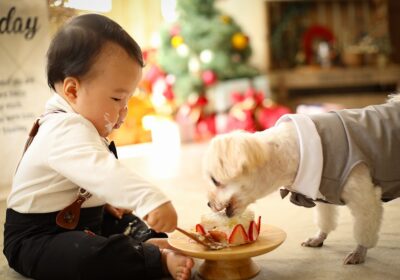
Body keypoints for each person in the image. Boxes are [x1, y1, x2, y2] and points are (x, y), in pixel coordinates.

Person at [3, 14, 194, 280]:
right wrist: (150, 199)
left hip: (81, 220)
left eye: (127, 101)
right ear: (72, 90)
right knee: (87, 258)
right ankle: (150, 258)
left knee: (126, 222)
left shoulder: (79, 124)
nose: (124, 112)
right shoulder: (63, 128)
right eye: (117, 98)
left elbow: (82, 177)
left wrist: (102, 202)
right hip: (37, 238)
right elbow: (102, 171)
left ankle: (147, 243)